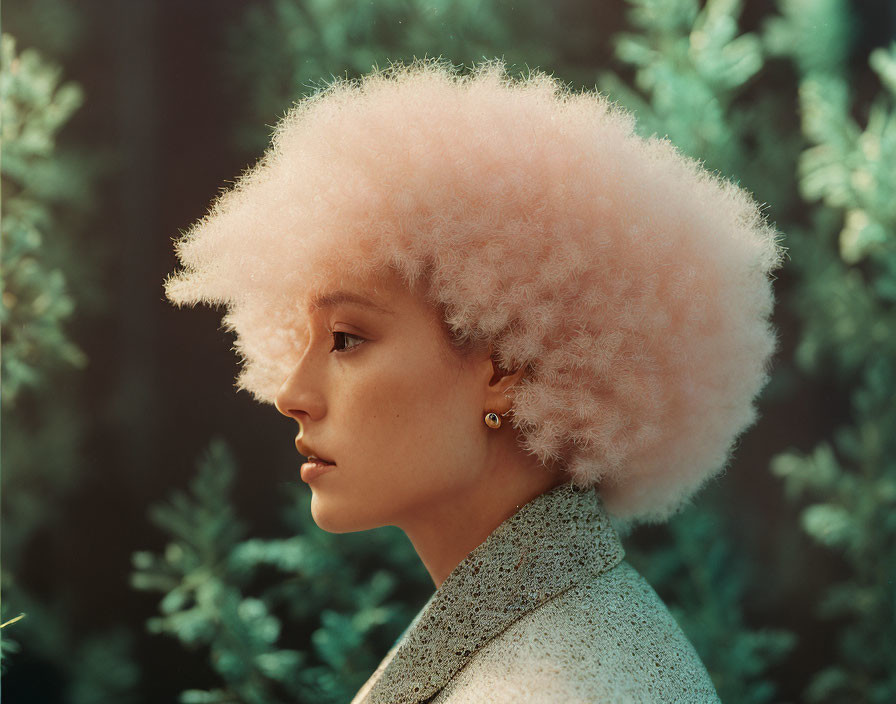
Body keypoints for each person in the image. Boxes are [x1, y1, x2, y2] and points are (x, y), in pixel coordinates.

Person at [164, 59, 784, 703]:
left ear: (503, 368)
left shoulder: (551, 686)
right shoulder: (564, 634)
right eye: (303, 339)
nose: (291, 394)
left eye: (346, 339)